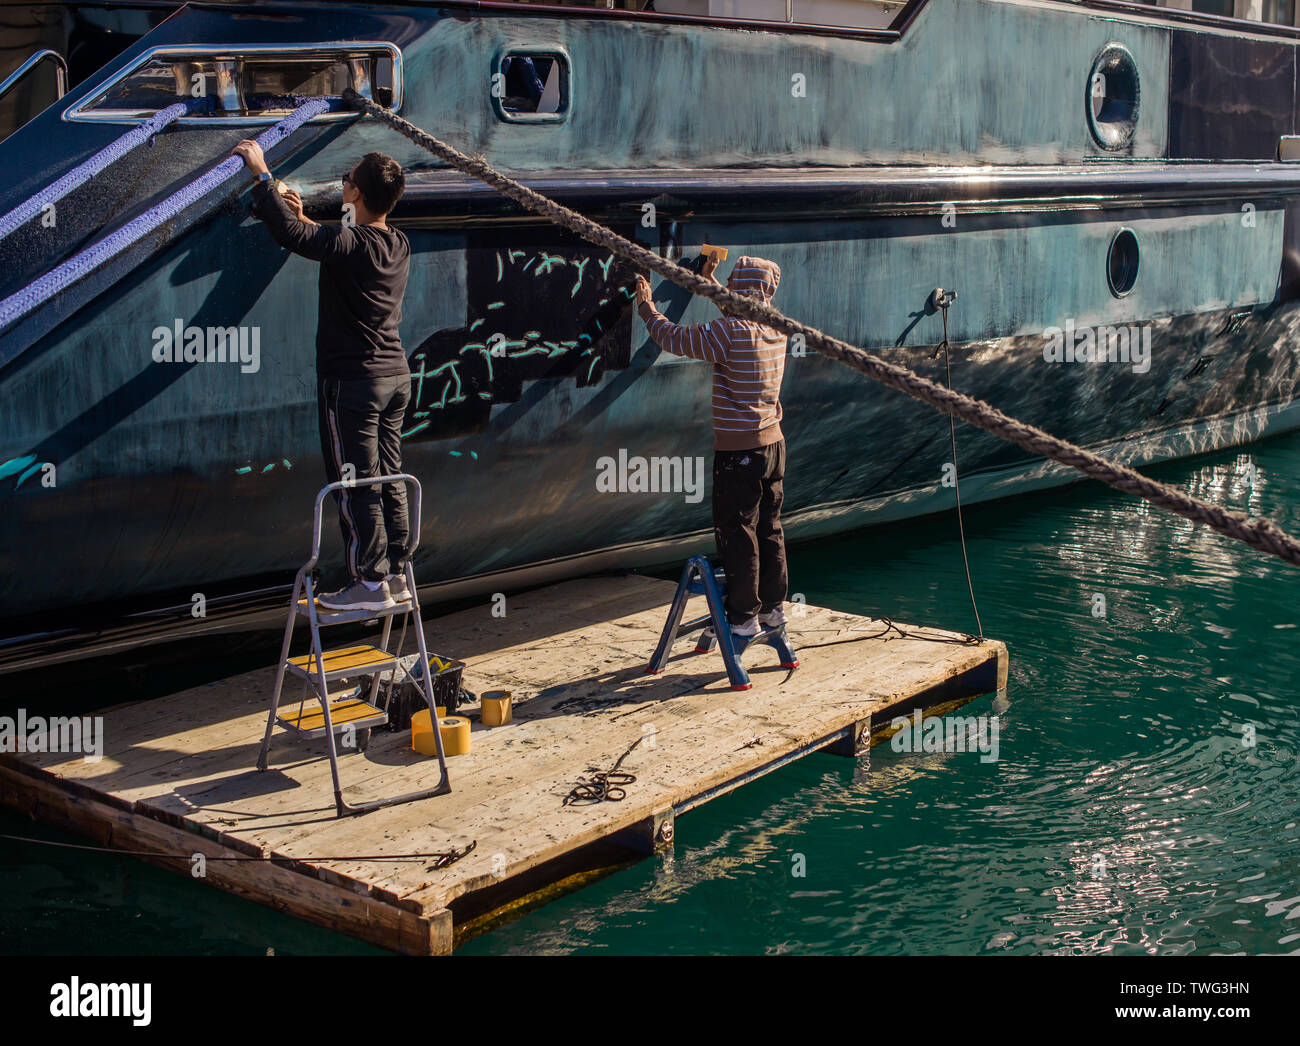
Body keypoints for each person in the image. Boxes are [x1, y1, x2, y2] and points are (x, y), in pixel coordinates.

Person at [232, 140, 412, 612]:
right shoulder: (397, 243)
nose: (344, 185)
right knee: (389, 475)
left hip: (353, 382)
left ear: (356, 194)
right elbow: (335, 244)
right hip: (395, 377)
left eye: (348, 181)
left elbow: (297, 239)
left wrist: (261, 175)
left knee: (355, 481)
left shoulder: (350, 243)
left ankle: (367, 584)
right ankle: (397, 571)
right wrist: (307, 218)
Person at [633, 253, 789, 638]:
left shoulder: (728, 333)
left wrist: (646, 307)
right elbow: (742, 313)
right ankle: (773, 609)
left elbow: (673, 337)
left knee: (737, 533)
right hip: (774, 447)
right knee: (769, 528)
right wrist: (710, 281)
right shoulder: (777, 328)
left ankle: (742, 618)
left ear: (739, 289)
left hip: (739, 453)